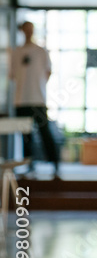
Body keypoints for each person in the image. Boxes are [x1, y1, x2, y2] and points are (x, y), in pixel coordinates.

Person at [10, 21, 60, 178]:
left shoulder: (41, 51)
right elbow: (12, 75)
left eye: (30, 30)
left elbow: (48, 71)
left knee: (45, 132)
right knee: (26, 135)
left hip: (38, 99)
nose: (28, 33)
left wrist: (39, 86)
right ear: (21, 31)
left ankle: (55, 164)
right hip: (21, 100)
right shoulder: (16, 52)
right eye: (25, 30)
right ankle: (29, 165)